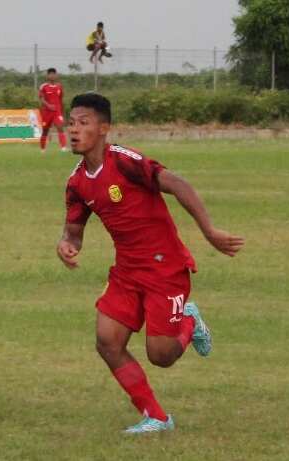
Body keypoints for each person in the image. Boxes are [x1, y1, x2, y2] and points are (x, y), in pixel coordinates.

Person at [57, 93, 244, 434]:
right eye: (71, 123)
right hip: (127, 271)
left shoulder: (124, 161)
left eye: (83, 123)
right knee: (107, 341)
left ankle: (189, 320)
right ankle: (156, 417)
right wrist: (67, 245)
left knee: (161, 356)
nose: (74, 130)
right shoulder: (76, 182)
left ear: (104, 128)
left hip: (165, 268)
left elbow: (177, 183)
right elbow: (73, 232)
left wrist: (209, 231)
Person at [38, 68, 67, 153]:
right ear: (47, 76)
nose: (52, 76)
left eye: (54, 74)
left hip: (57, 112)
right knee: (45, 131)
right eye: (50, 74)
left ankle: (63, 148)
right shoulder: (44, 86)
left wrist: (62, 113)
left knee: (60, 128)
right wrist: (48, 105)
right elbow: (41, 99)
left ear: (56, 75)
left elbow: (61, 100)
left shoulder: (59, 87)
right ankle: (42, 149)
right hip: (47, 112)